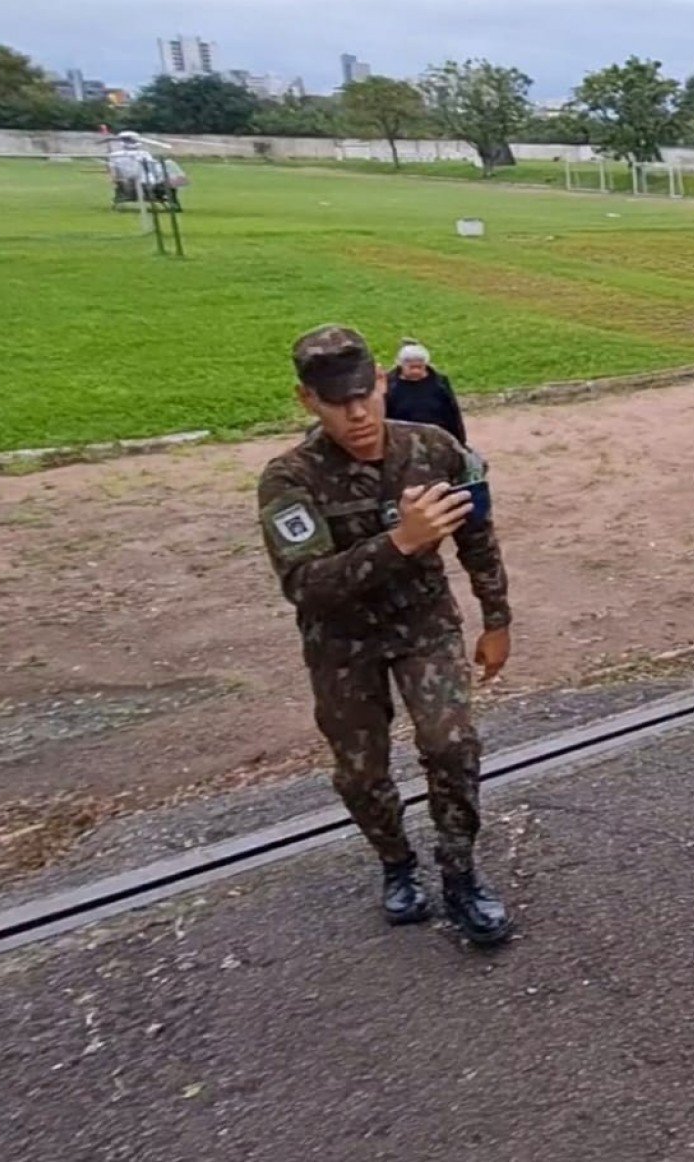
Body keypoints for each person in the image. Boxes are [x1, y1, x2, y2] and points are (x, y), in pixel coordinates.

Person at [256, 324, 513, 946]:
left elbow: (477, 536)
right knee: (361, 772)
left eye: (364, 394)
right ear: (306, 400)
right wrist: (401, 541)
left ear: (379, 382)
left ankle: (459, 875)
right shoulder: (290, 480)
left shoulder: (434, 450)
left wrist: (497, 617)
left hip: (424, 624)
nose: (356, 413)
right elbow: (307, 585)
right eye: (335, 401)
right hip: (342, 644)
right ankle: (396, 865)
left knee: (451, 746)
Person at [384, 339, 468, 447]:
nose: (415, 371)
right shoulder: (389, 386)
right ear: (401, 365)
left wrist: (460, 442)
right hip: (403, 445)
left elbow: (453, 414)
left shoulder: (439, 383)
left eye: (419, 367)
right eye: (411, 367)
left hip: (438, 442)